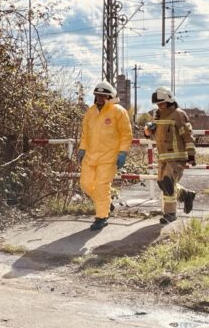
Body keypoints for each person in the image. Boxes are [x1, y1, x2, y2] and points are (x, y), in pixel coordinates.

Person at [77, 81, 132, 231]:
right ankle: (106, 204)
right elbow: (85, 134)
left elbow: (126, 135)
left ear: (109, 96)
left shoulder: (118, 111)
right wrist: (82, 149)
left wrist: (122, 152)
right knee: (85, 184)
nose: (100, 98)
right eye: (97, 95)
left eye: (103, 95)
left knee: (101, 187)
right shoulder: (91, 112)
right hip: (90, 156)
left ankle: (101, 217)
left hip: (109, 157)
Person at [144, 86, 196, 224]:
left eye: (162, 103)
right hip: (163, 158)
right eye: (158, 104)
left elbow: (188, 135)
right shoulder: (158, 116)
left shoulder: (179, 114)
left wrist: (191, 154)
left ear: (170, 101)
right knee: (163, 184)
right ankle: (185, 194)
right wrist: (148, 131)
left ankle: (170, 214)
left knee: (168, 183)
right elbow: (156, 137)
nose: (160, 106)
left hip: (177, 158)